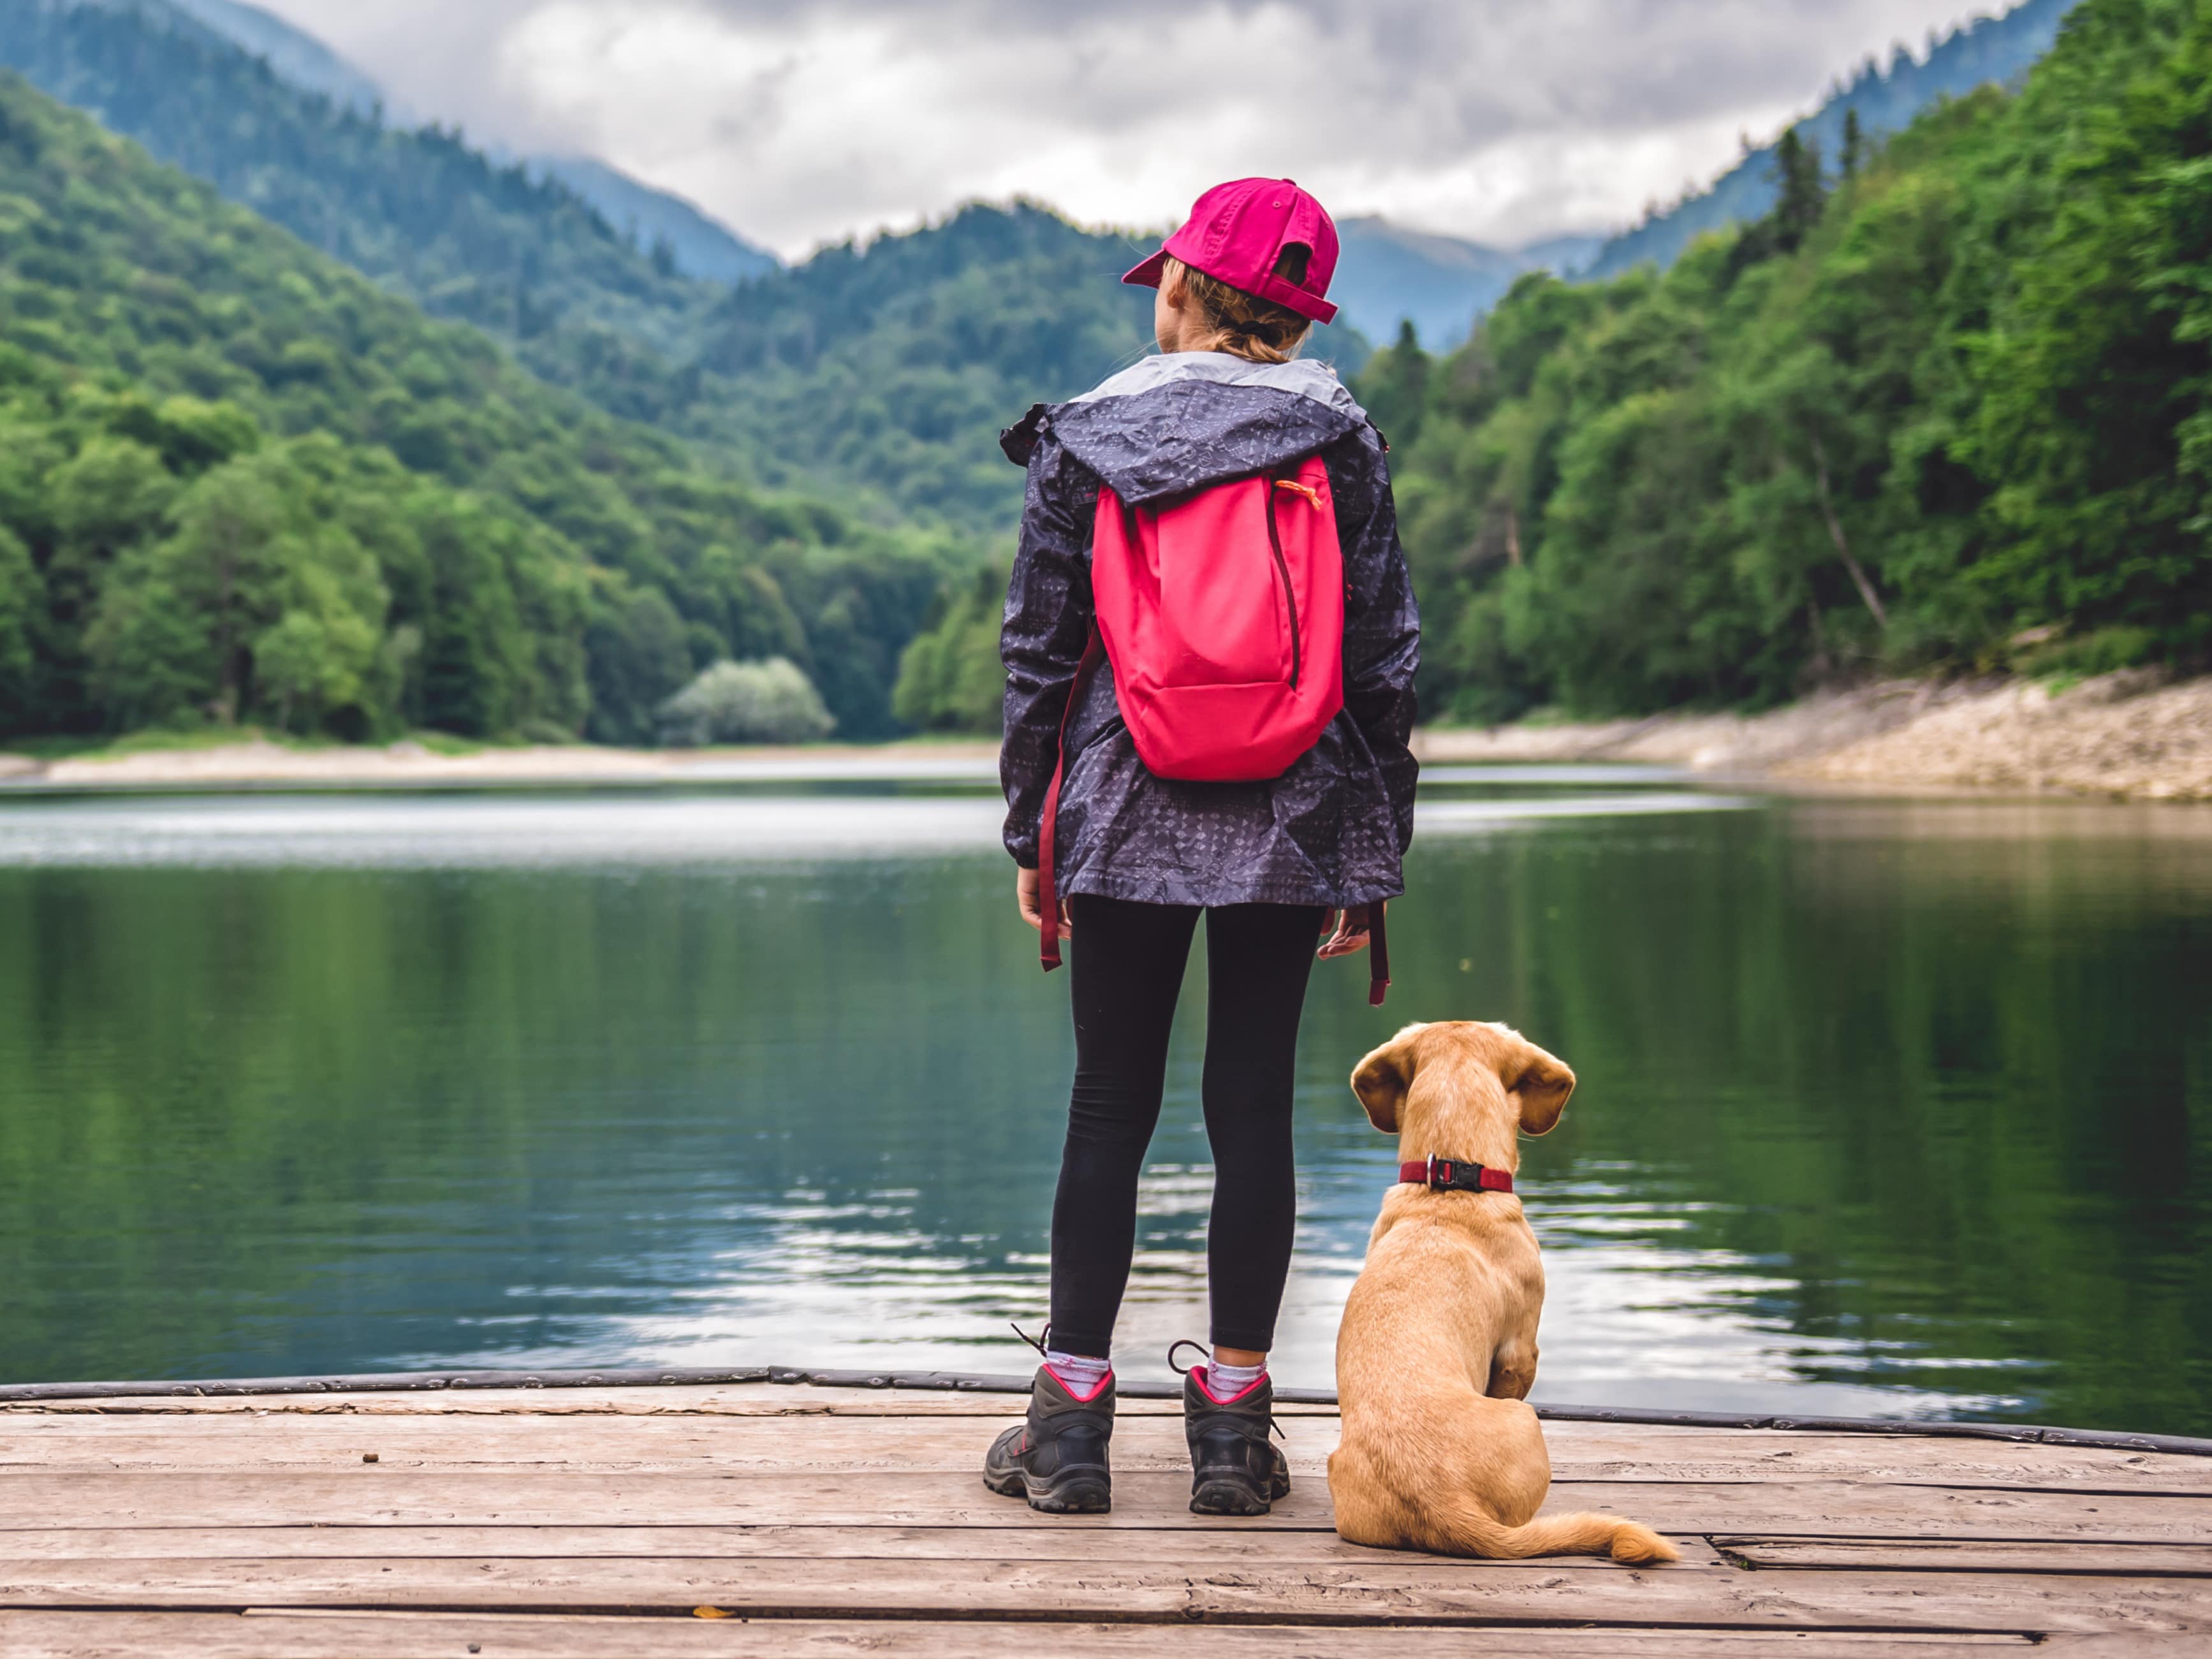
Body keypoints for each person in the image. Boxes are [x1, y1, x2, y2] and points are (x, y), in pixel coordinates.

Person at [983, 178, 1420, 1516]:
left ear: (1182, 291)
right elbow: (1383, 658)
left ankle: (1067, 1432)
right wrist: (1372, 848)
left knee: (1109, 1104)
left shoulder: (1087, 434)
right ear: (1293, 321)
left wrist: (1030, 828)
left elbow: (1039, 653)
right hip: (1289, 808)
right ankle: (1233, 1435)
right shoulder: (1338, 436)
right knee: (1250, 1113)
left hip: (1120, 805)